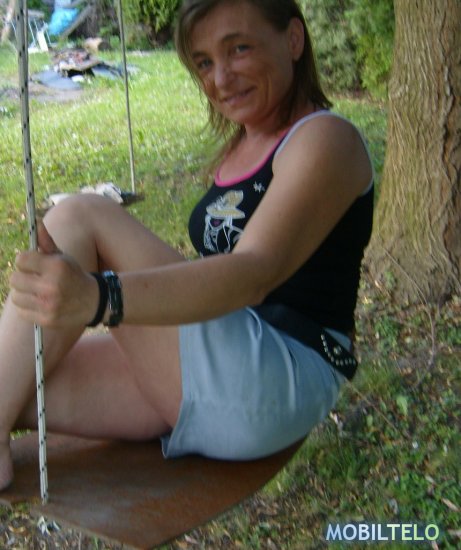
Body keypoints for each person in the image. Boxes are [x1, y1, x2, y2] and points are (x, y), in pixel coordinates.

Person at [0, 0, 373, 491]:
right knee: (23, 378)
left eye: (238, 49)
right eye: (203, 62)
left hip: (279, 373)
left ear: (293, 39)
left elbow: (253, 272)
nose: (220, 78)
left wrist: (100, 298)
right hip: (226, 365)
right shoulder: (243, 146)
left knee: (80, 215)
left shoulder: (326, 138)